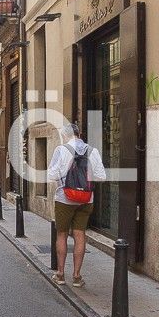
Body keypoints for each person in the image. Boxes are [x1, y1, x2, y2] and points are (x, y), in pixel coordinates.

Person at [47, 122, 106, 287]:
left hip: (65, 198)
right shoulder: (92, 151)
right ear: (79, 134)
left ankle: (60, 274)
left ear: (65, 135)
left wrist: (64, 174)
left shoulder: (61, 150)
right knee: (80, 235)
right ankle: (77, 276)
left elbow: (52, 174)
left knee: (62, 234)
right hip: (86, 199)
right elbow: (101, 176)